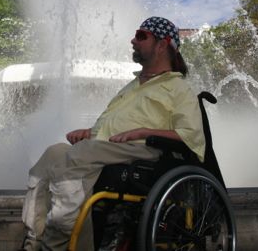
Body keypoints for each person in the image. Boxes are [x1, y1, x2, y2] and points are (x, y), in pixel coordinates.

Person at [21, 16, 205, 251]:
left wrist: (144, 131)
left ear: (163, 44)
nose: (133, 40)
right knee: (53, 153)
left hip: (145, 152)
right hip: (107, 149)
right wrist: (90, 132)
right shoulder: (132, 85)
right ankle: (34, 239)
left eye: (141, 36)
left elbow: (191, 136)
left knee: (80, 156)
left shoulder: (178, 88)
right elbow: (114, 125)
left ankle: (55, 244)